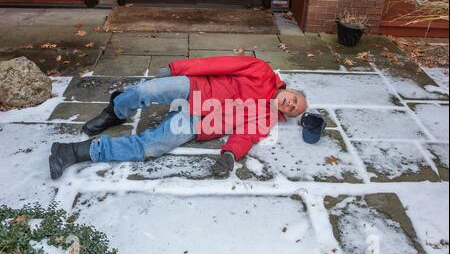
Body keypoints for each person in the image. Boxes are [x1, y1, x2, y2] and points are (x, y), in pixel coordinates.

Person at [49, 56, 308, 180]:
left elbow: (246, 136)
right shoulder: (261, 70)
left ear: (286, 114)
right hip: (196, 88)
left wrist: (230, 154)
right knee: (144, 90)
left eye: (293, 110)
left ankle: (74, 151)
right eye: (294, 99)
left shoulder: (267, 118)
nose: (290, 104)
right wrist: (176, 69)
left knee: (152, 147)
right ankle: (115, 111)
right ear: (291, 89)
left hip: (199, 123)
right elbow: (218, 65)